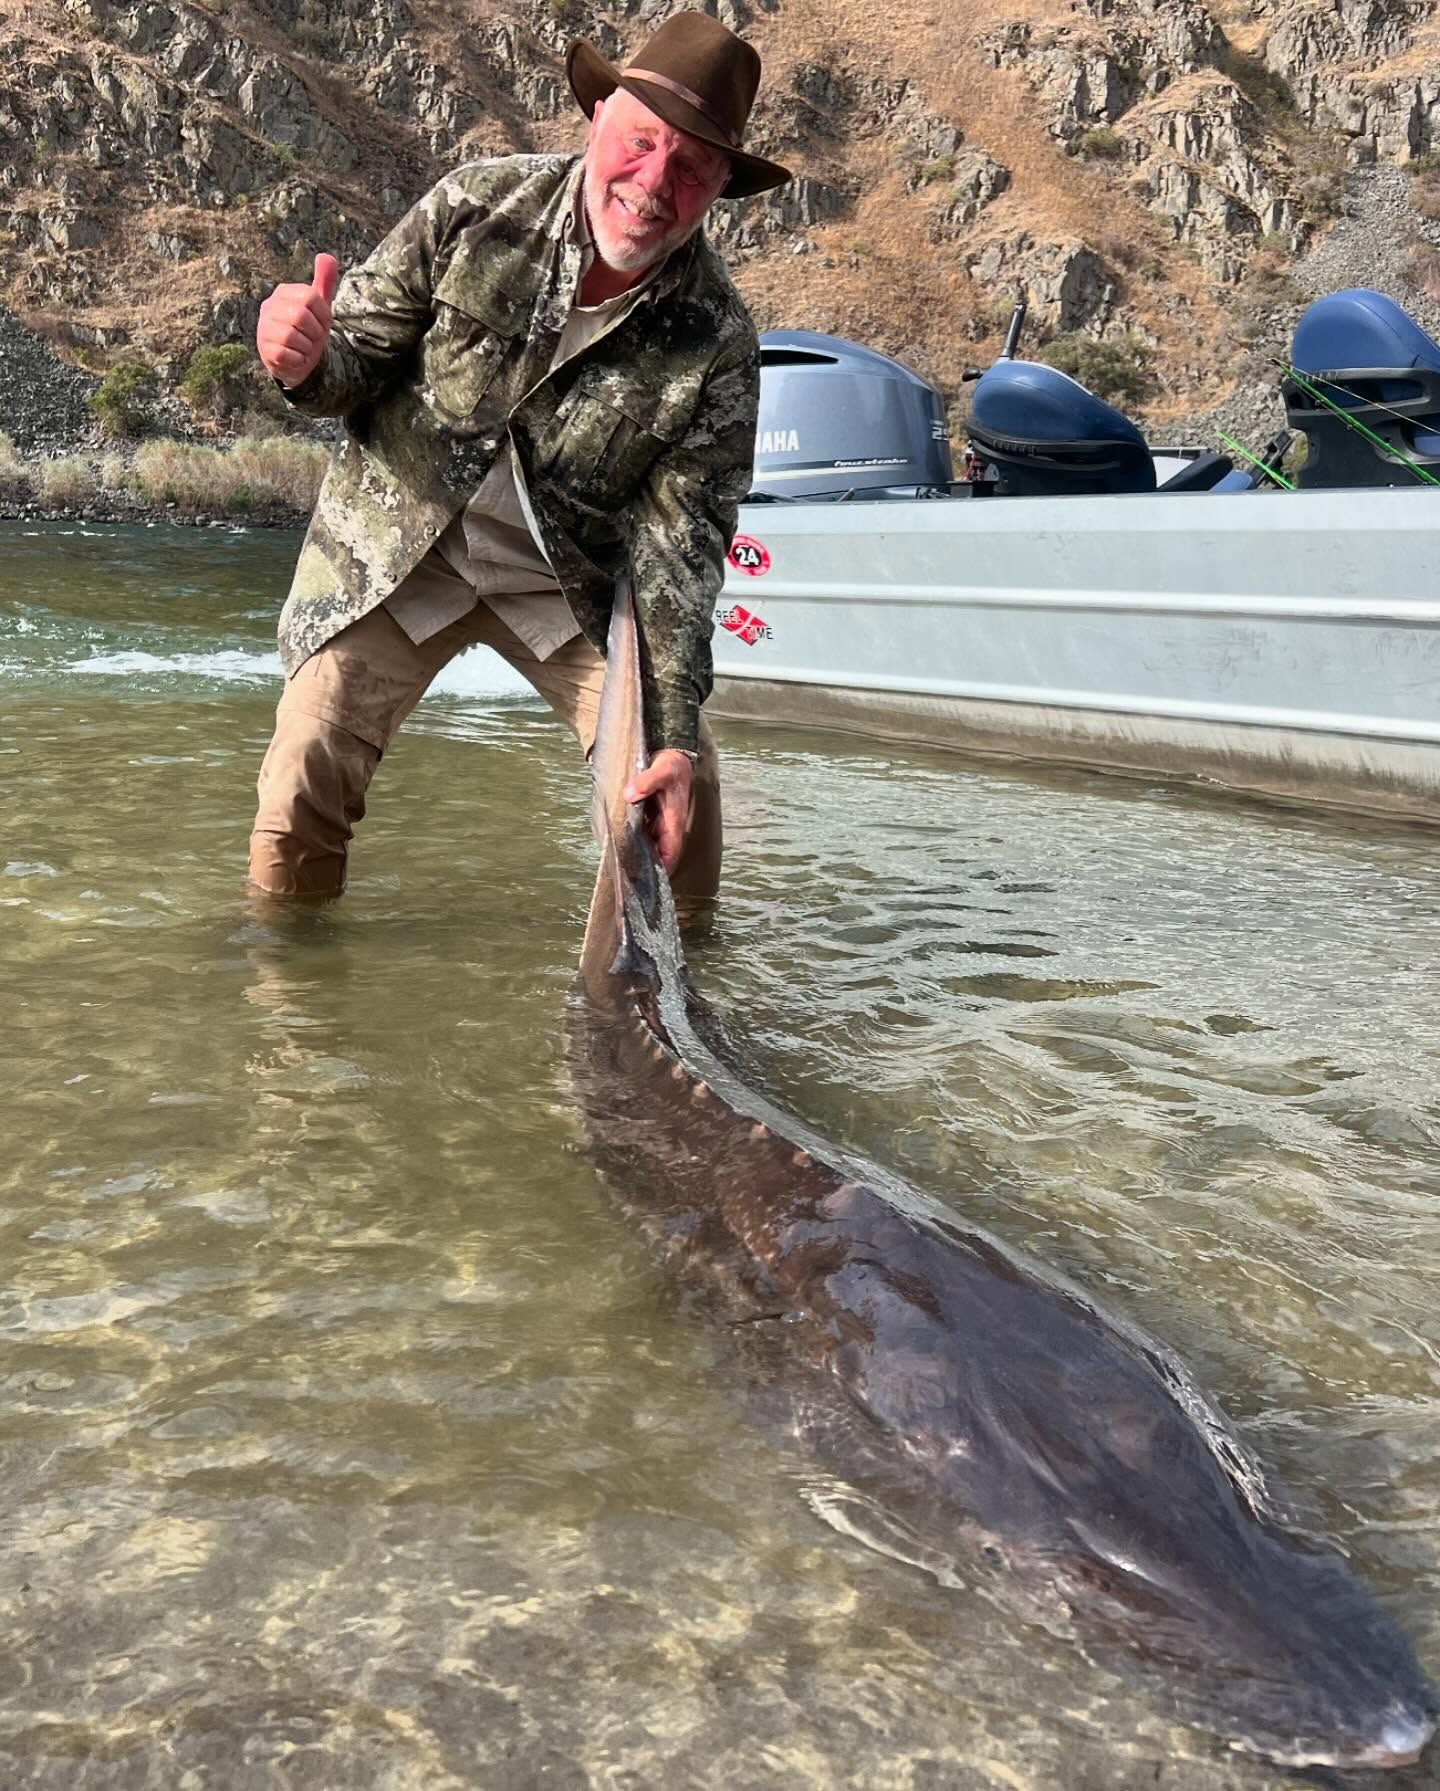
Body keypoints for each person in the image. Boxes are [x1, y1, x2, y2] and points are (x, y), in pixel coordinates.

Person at [249, 11, 791, 904]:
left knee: (677, 825)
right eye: (642, 141)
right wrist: (304, 361)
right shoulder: (474, 208)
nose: (654, 182)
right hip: (403, 552)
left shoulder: (718, 343)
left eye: (691, 166)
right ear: (598, 118)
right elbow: (352, 364)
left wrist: (677, 738)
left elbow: (680, 555)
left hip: (567, 584)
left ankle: (668, 1020)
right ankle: (288, 1005)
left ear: (721, 184)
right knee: (299, 789)